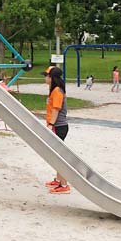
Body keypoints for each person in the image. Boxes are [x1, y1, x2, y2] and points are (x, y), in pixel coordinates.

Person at [43, 66, 71, 194]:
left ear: (51, 77)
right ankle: (59, 180)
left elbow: (56, 110)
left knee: (59, 157)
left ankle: (64, 185)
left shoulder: (57, 91)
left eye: (46, 75)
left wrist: (50, 125)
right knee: (56, 155)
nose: (45, 78)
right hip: (57, 125)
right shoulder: (54, 90)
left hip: (58, 126)